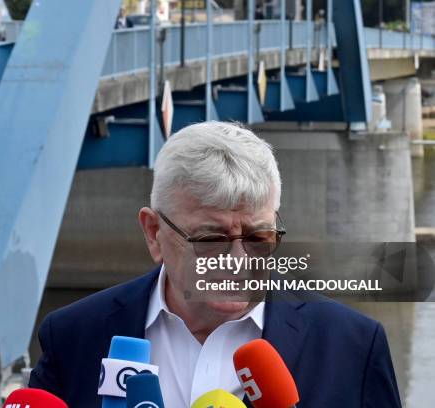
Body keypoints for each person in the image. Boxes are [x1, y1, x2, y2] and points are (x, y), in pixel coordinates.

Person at [29, 121, 402, 407]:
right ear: (153, 232)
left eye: (258, 237)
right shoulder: (73, 336)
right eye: (210, 240)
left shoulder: (352, 345)